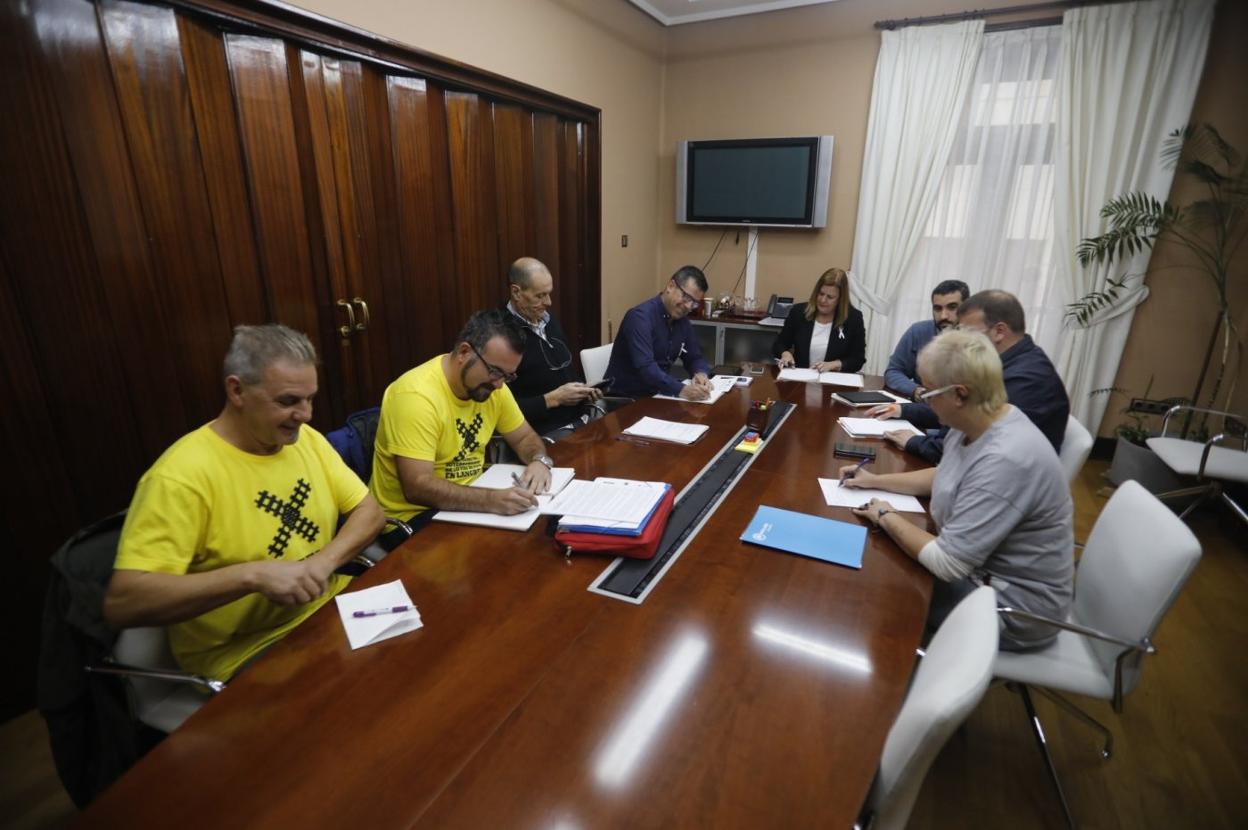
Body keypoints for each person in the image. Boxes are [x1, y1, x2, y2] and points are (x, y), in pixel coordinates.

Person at [103, 325, 386, 681]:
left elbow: (370, 513)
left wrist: (322, 563)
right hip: (245, 649)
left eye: (310, 398)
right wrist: (251, 575)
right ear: (236, 390)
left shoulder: (305, 441)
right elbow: (123, 604)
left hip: (325, 611)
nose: (306, 414)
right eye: (288, 401)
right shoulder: (180, 478)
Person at [842, 329, 1073, 651]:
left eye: (929, 394)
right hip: (979, 573)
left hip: (1009, 610)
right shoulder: (981, 420)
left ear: (960, 394)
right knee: (872, 566)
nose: (923, 400)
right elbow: (945, 474)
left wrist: (885, 515)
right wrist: (873, 480)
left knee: (867, 591)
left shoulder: (1008, 458)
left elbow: (947, 562)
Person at [369, 310, 555, 543]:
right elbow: (417, 487)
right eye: (495, 371)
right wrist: (491, 501)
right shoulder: (416, 396)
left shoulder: (493, 388)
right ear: (464, 353)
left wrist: (539, 459)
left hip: (470, 503)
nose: (499, 385)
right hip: (414, 519)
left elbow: (524, 437)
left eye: (508, 376)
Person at [870, 290, 1069, 464]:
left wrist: (913, 441)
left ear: (999, 331)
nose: (961, 340)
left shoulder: (1024, 380)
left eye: (968, 332)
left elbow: (962, 448)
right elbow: (958, 406)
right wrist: (903, 411)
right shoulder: (1006, 362)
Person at [501, 257, 603, 436]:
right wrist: (553, 399)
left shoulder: (549, 320)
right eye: (540, 296)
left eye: (549, 293)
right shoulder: (500, 335)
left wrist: (583, 389)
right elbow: (500, 409)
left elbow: (565, 371)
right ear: (516, 292)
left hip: (581, 418)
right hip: (544, 431)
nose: (548, 302)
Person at [605, 265, 714, 401]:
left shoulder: (682, 322)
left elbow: (694, 357)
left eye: (694, 303)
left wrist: (701, 374)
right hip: (626, 399)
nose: (688, 306)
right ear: (670, 286)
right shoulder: (640, 318)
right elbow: (646, 368)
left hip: (658, 394)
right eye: (686, 297)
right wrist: (682, 390)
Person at [883, 279, 970, 401]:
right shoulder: (918, 332)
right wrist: (917, 390)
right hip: (924, 408)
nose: (943, 316)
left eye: (952, 307)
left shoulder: (979, 339)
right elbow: (893, 371)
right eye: (938, 309)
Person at [772, 267, 866, 371]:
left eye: (830, 297)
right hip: (800, 379)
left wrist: (835, 364)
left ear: (840, 300)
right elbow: (780, 344)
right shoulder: (799, 312)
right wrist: (785, 354)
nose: (823, 300)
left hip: (833, 382)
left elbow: (858, 359)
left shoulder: (853, 318)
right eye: (821, 294)